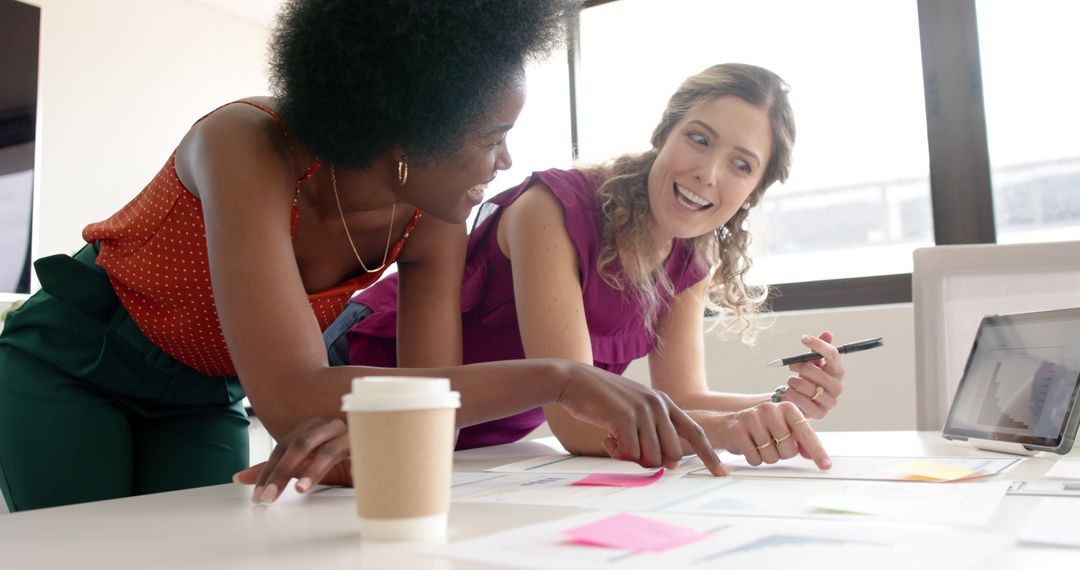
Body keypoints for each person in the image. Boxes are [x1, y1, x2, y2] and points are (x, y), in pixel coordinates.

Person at [0, 1, 727, 513]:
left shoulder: (435, 215)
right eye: (491, 137)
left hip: (203, 392)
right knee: (88, 543)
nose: (506, 160)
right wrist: (562, 378)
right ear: (409, 132)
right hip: (77, 362)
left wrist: (366, 444)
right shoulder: (244, 144)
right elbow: (294, 394)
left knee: (201, 545)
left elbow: (428, 402)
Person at [240, 64, 838, 499]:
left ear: (754, 190)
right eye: (698, 139)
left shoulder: (688, 258)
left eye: (741, 164)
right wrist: (727, 431)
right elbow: (574, 419)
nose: (708, 173)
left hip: (475, 436)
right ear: (665, 134)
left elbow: (680, 393)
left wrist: (777, 409)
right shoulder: (552, 209)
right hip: (373, 369)